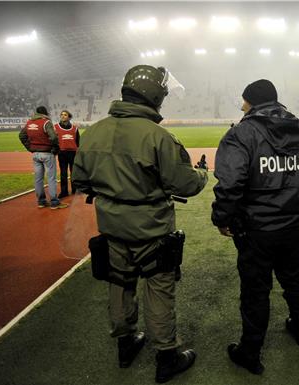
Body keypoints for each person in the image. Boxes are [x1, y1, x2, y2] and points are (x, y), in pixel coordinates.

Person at [72, 65, 208, 383]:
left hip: (111, 227)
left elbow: (80, 180)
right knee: (159, 290)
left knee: (119, 285)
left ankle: (126, 344)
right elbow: (185, 184)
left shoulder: (94, 132)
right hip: (152, 229)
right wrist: (202, 174)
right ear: (156, 96)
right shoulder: (158, 137)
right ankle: (166, 356)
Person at [211, 79, 299, 374]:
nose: (241, 107)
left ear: (251, 102)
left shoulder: (241, 134)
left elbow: (230, 184)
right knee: (294, 280)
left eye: (243, 101)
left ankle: (250, 352)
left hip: (255, 230)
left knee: (255, 291)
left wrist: (222, 218)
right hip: (291, 227)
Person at [19, 106, 68, 209]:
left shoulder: (29, 123)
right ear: (45, 113)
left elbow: (22, 135)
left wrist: (30, 148)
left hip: (35, 154)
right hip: (47, 153)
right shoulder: (46, 122)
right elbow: (54, 137)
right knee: (51, 178)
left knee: (38, 179)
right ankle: (54, 202)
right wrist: (56, 148)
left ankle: (41, 201)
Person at [54, 110, 80, 198]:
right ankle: (64, 191)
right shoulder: (55, 127)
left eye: (65, 115)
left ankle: (74, 189)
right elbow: (53, 140)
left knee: (74, 173)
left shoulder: (75, 128)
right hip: (62, 153)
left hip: (73, 153)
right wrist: (57, 150)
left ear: (69, 117)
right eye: (61, 114)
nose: (63, 116)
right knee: (63, 173)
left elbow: (78, 142)